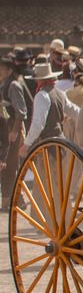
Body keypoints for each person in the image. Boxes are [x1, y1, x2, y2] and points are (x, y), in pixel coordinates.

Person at [1, 52, 33, 210]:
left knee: (11, 166)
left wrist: (14, 131)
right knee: (6, 167)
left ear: (8, 70)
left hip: (13, 129)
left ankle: (15, 201)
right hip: (5, 129)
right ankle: (12, 200)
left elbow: (21, 112)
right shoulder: (4, 84)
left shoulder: (13, 85)